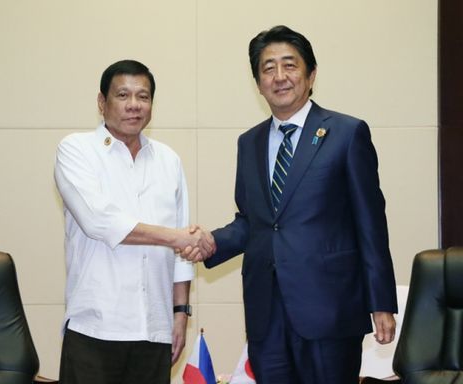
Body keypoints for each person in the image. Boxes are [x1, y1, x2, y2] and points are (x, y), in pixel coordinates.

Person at [203, 25, 398, 384]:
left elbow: (370, 223)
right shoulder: (249, 142)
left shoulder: (346, 132)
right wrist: (210, 242)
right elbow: (253, 222)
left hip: (329, 309)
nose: (279, 77)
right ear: (257, 81)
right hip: (267, 314)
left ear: (311, 74)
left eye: (289, 65)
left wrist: (381, 301)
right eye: (268, 68)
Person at [54, 59, 214, 384]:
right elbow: (100, 221)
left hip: (154, 331)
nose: (134, 105)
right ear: (102, 102)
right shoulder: (76, 150)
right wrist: (176, 237)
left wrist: (180, 313)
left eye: (143, 96)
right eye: (123, 95)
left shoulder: (168, 160)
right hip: (95, 328)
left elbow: (182, 255)